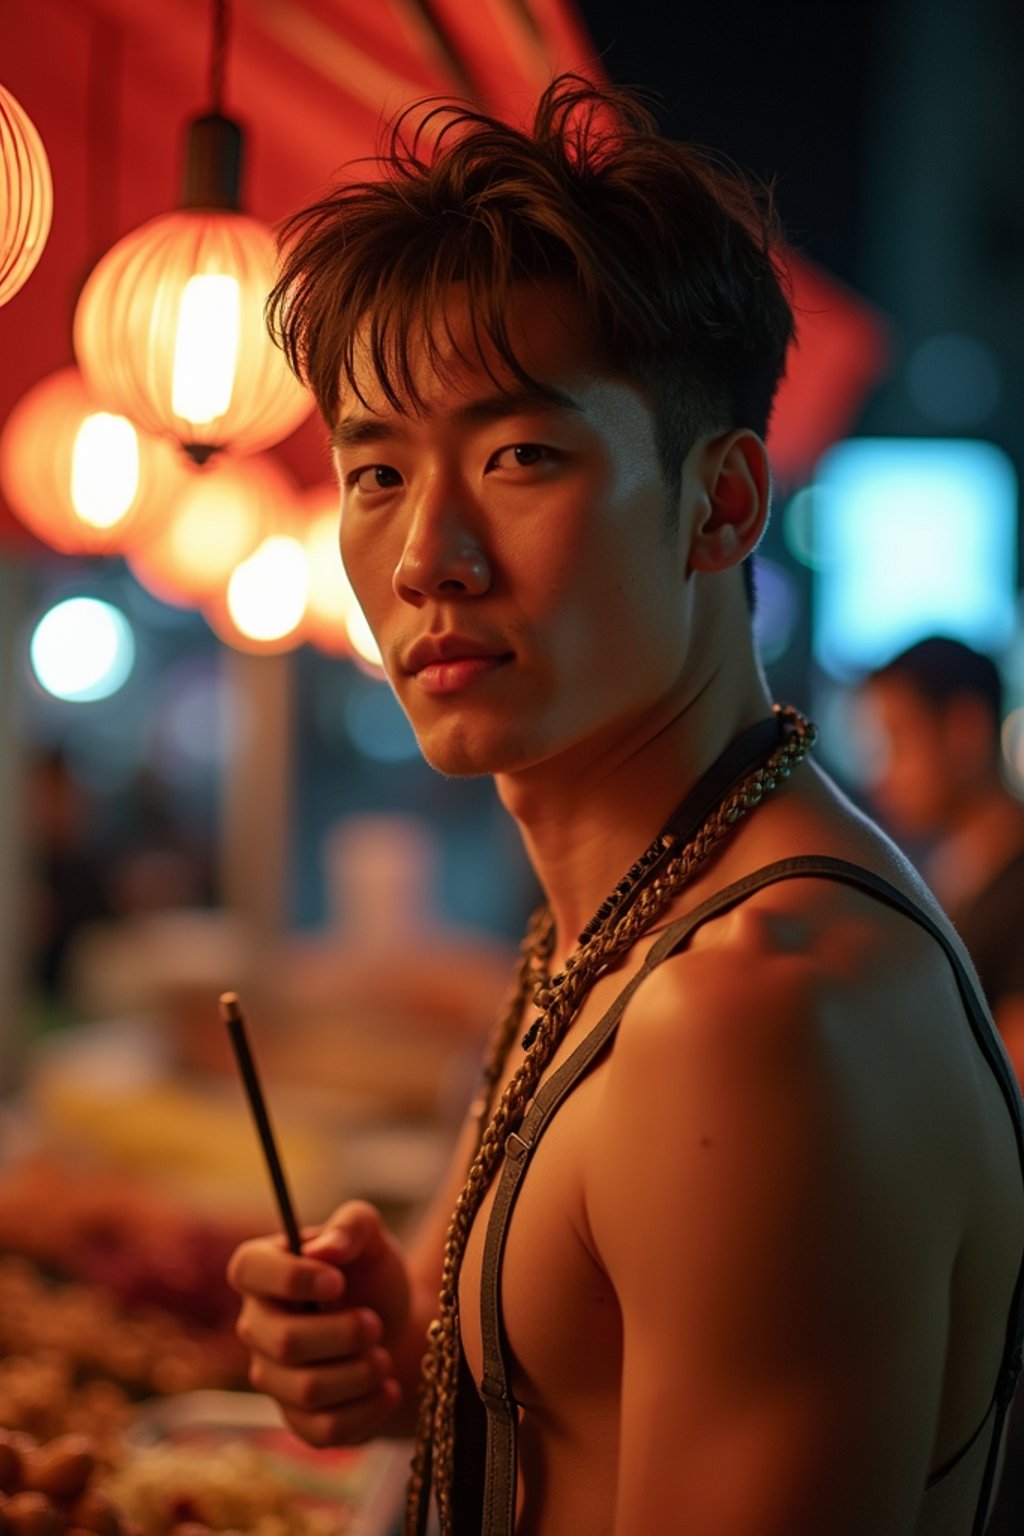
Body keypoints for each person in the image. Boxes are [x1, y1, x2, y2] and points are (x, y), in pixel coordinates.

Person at [227, 78, 1024, 1536]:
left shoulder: (755, 1018)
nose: (427, 556)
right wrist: (413, 1346)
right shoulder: (630, 909)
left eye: (520, 454)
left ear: (721, 507)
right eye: (377, 472)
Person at [861, 636, 1024, 1080]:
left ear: (964, 729)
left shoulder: (1014, 889)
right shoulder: (961, 872)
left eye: (897, 742)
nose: (881, 776)